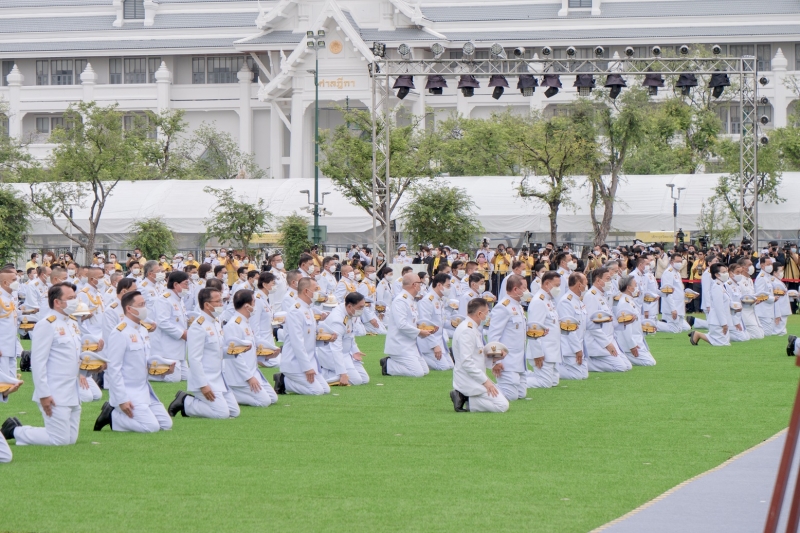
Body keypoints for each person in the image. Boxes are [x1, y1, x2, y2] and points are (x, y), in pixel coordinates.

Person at [4, 283, 85, 447]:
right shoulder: (46, 324)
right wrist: (44, 394)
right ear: (57, 302)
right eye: (70, 298)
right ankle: (14, 430)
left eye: (75, 298)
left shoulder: (72, 323)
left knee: (70, 439)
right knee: (59, 440)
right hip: (54, 391)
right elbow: (38, 362)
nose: (75, 301)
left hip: (72, 390)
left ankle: (22, 434)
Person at [93, 291, 174, 433]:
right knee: (151, 427)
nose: (145, 308)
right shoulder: (120, 333)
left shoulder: (142, 329)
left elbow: (143, 361)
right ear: (129, 309)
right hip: (128, 390)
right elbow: (114, 368)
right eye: (141, 305)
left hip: (144, 389)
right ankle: (111, 415)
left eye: (145, 304)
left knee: (166, 424)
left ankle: (124, 414)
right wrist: (121, 399)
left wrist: (162, 368)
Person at [167, 288, 240, 419]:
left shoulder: (215, 322)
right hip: (205, 379)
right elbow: (194, 359)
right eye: (217, 301)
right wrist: (203, 385)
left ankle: (191, 403)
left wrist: (235, 351)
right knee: (221, 414)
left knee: (234, 412)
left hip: (218, 377)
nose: (221, 305)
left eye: (221, 301)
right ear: (207, 305)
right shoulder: (198, 326)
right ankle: (185, 402)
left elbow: (217, 351)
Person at [272, 278, 333, 396]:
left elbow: (310, 337)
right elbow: (297, 343)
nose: (318, 292)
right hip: (295, 363)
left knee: (326, 389)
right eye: (316, 289)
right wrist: (307, 368)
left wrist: (326, 339)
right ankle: (284, 381)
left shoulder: (308, 308)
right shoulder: (296, 311)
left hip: (310, 360)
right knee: (316, 391)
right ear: (306, 291)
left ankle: (289, 381)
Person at [449, 298, 509, 413]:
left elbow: (478, 357)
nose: (488, 315)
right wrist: (485, 382)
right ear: (480, 314)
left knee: (502, 397)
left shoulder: (472, 328)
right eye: (487, 312)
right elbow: (467, 362)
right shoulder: (467, 330)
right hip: (469, 379)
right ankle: (465, 398)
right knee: (502, 406)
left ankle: (465, 397)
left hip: (475, 378)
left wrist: (496, 358)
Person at [222, 290, 278, 407]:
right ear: (247, 306)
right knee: (264, 402)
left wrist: (267, 355)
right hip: (240, 377)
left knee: (273, 398)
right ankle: (231, 395)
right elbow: (235, 356)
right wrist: (249, 378)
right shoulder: (234, 325)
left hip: (253, 371)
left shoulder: (245, 322)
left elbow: (250, 352)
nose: (255, 305)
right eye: (254, 302)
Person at [380, 273, 432, 377]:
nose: (421, 285)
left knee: (425, 371)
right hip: (399, 344)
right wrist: (419, 332)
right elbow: (401, 325)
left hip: (410, 344)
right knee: (417, 373)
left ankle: (394, 363)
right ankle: (388, 365)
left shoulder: (410, 299)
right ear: (414, 285)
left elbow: (411, 321)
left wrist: (424, 328)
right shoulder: (400, 300)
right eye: (420, 283)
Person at [488, 274, 528, 400]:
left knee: (521, 394)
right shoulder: (503, 307)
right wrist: (496, 361)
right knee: (510, 396)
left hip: (518, 361)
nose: (526, 292)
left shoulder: (518, 306)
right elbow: (493, 336)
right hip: (507, 362)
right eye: (524, 288)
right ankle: (472, 393)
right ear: (515, 289)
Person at [317, 292, 369, 386]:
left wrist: (355, 351)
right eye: (360, 307)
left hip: (346, 354)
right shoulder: (337, 320)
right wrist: (342, 373)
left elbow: (350, 334)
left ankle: (333, 372)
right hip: (331, 354)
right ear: (350, 306)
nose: (362, 310)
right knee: (356, 381)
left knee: (364, 379)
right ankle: (322, 374)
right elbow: (335, 348)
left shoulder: (350, 312)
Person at [584, 268, 631, 372]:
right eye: (607, 279)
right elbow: (592, 326)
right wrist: (607, 344)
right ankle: (586, 364)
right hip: (599, 342)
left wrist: (624, 323)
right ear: (598, 280)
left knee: (628, 366)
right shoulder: (591, 296)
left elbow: (610, 322)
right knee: (620, 367)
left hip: (610, 339)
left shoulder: (603, 296)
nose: (610, 282)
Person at [150, 271, 189, 382]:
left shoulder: (178, 299)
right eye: (186, 284)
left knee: (188, 377)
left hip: (178, 348)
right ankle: (147, 373)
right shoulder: (164, 299)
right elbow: (163, 322)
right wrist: (182, 334)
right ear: (176, 285)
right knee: (173, 378)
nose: (188, 287)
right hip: (166, 348)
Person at [526, 271, 563, 388]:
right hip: (543, 352)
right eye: (557, 285)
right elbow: (534, 330)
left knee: (553, 382)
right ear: (547, 284)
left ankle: (520, 377)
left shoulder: (548, 300)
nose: (558, 289)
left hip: (551, 351)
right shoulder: (539, 301)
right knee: (544, 383)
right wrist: (537, 353)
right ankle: (513, 383)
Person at [614, 276, 656, 366]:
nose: (637, 288)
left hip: (638, 340)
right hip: (630, 344)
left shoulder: (630, 301)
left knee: (651, 361)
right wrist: (631, 345)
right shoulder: (625, 303)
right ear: (629, 288)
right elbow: (626, 328)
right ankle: (623, 357)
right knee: (649, 362)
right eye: (635, 285)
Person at [416, 273, 453, 372]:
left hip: (439, 341)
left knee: (450, 366)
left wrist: (455, 324)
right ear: (439, 285)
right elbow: (425, 326)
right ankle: (419, 358)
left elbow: (442, 322)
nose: (449, 289)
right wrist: (434, 345)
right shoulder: (427, 301)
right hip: (429, 343)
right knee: (443, 367)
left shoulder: (440, 300)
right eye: (448, 286)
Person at [556, 272, 589, 379]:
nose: (587, 285)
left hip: (579, 345)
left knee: (584, 375)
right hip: (569, 348)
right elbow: (569, 330)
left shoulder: (579, 301)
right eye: (585, 283)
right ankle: (552, 370)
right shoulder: (566, 302)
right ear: (579, 285)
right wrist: (577, 350)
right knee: (578, 376)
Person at [690, 264, 731, 346]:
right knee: (722, 344)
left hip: (721, 319)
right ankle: (698, 335)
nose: (726, 273)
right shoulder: (717, 286)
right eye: (724, 272)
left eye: (726, 271)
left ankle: (697, 334)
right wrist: (724, 323)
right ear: (716, 274)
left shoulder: (721, 285)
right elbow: (718, 307)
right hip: (717, 320)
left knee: (725, 343)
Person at [659, 254, 697, 332]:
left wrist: (687, 297)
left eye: (680, 261)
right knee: (674, 330)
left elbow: (679, 290)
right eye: (677, 261)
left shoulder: (677, 273)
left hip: (679, 306)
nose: (679, 263)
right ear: (672, 261)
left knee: (686, 328)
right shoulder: (668, 273)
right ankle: (654, 324)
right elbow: (668, 293)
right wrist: (673, 309)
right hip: (672, 306)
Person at [251, 271, 282, 368]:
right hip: (261, 340)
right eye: (273, 283)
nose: (275, 286)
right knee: (278, 364)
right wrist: (257, 346)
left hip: (268, 337)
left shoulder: (265, 298)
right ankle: (256, 359)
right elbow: (254, 324)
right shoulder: (257, 299)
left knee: (284, 361)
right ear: (264, 284)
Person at [0, 268, 20, 377]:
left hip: (11, 347)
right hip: (2, 349)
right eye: (13, 280)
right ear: (4, 282)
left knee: (10, 383)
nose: (16, 282)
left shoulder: (9, 298)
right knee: (2, 384)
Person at [725, 263, 751, 343]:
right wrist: (735, 322)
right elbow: (729, 303)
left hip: (739, 316)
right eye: (737, 272)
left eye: (740, 272)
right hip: (731, 315)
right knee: (742, 338)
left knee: (747, 337)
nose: (739, 275)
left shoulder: (738, 285)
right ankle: (722, 336)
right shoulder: (727, 285)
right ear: (730, 273)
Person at [755, 256, 780, 336]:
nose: (770, 266)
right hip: (763, 311)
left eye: (771, 264)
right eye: (768, 264)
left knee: (769, 332)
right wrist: (773, 298)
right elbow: (760, 294)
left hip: (769, 310)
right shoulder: (761, 277)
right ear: (762, 265)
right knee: (766, 333)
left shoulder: (768, 276)